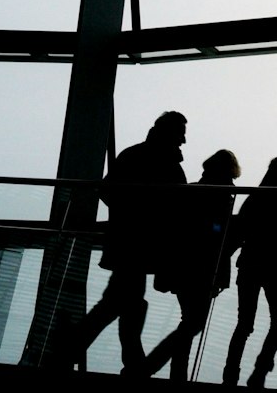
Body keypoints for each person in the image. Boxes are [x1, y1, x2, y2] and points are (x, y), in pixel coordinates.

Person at [60, 110, 187, 371]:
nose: (183, 140)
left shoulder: (133, 155)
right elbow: (177, 206)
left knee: (123, 301)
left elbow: (107, 190)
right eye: (181, 134)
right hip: (143, 243)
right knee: (123, 302)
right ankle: (120, 358)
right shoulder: (168, 165)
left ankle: (82, 348)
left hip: (127, 240)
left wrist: (127, 215)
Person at [130, 148, 240, 380]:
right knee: (193, 323)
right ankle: (150, 368)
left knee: (188, 321)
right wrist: (223, 234)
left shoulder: (192, 191)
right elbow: (216, 231)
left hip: (183, 266)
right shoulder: (221, 195)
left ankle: (173, 373)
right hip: (204, 267)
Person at [222, 155, 277, 388]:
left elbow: (238, 230)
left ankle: (231, 372)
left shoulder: (256, 197)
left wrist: (223, 259)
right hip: (276, 269)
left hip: (250, 264)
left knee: (244, 323)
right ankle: (260, 370)